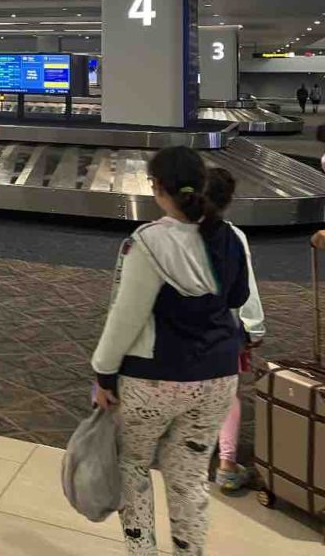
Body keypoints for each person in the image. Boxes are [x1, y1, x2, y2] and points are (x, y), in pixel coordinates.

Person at [92, 146, 249, 556]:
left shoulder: (148, 242)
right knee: (191, 477)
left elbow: (125, 318)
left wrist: (103, 374)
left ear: (157, 188)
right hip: (217, 378)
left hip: (153, 379)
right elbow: (239, 296)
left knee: (133, 467)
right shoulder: (229, 236)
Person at [203, 169, 266, 493]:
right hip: (224, 330)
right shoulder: (233, 237)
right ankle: (227, 464)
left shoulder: (169, 234)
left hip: (181, 333)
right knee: (227, 391)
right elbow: (246, 290)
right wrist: (254, 327)